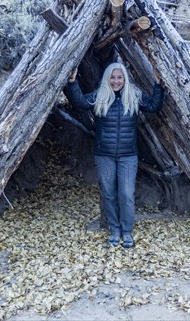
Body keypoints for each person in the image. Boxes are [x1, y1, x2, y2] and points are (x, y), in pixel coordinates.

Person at [65, 63, 165, 248]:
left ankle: (127, 232)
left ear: (125, 78)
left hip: (128, 156)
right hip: (105, 155)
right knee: (109, 194)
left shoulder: (133, 95)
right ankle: (114, 230)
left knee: (126, 194)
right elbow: (79, 102)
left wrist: (158, 86)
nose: (116, 81)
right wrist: (72, 82)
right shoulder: (100, 95)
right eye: (112, 77)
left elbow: (153, 106)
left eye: (119, 77)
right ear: (107, 79)